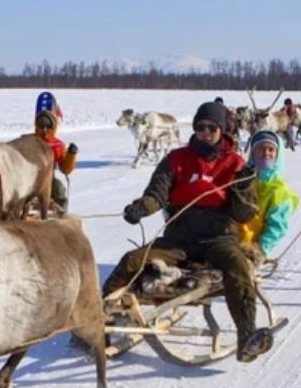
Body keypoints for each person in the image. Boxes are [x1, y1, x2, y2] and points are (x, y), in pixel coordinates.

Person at [103, 100, 274, 362]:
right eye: (201, 127)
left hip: (218, 239)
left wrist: (243, 187)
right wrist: (140, 208)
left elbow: (244, 214)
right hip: (179, 238)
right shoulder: (176, 160)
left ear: (222, 131)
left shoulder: (236, 165)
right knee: (132, 261)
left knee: (238, 267)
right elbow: (157, 194)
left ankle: (246, 337)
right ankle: (96, 320)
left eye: (212, 128)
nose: (206, 133)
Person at [238, 130, 299, 265]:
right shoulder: (240, 180)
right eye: (260, 148)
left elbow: (277, 227)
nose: (266, 153)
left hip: (249, 251)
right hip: (228, 245)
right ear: (253, 153)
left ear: (278, 155)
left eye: (271, 149)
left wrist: (260, 250)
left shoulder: (279, 191)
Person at [34, 91, 77, 211]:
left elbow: (65, 168)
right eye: (41, 124)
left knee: (59, 189)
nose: (45, 129)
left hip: (47, 180)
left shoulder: (57, 145)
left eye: (48, 125)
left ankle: (61, 216)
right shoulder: (29, 141)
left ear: (53, 125)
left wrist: (71, 155)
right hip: (27, 178)